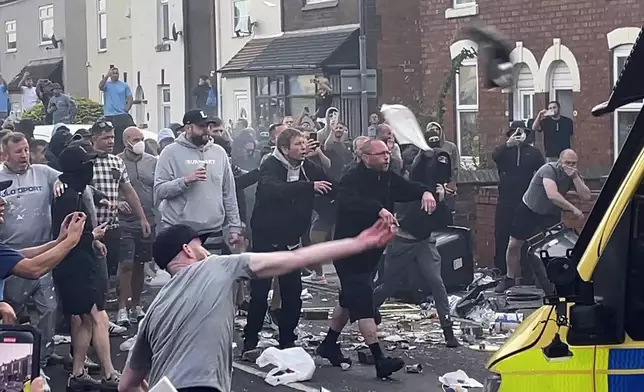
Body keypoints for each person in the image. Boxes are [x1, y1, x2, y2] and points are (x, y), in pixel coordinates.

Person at [118, 219, 396, 392]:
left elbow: (126, 384)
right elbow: (295, 258)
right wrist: (358, 243)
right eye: (199, 245)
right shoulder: (217, 266)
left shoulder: (153, 311)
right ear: (188, 250)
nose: (207, 250)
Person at [318, 139, 436, 378]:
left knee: (348, 299)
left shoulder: (388, 176)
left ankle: (329, 344)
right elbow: (350, 201)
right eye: (381, 153)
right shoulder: (352, 177)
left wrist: (426, 191)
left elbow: (407, 188)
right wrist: (378, 209)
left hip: (372, 251)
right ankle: (380, 359)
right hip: (349, 250)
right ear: (365, 157)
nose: (387, 156)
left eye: (388, 152)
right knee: (363, 306)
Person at [242, 128, 332, 357]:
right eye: (298, 144)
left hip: (291, 239)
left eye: (304, 143)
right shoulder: (270, 164)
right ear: (284, 148)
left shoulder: (306, 167)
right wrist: (308, 187)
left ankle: (287, 339)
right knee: (260, 293)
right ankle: (250, 341)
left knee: (292, 291)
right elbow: (274, 190)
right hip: (267, 239)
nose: (303, 147)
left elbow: (331, 183)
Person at [373, 148, 458, 347]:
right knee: (389, 284)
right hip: (403, 241)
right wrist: (431, 197)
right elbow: (413, 218)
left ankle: (448, 330)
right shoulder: (409, 188)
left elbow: (443, 222)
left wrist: (441, 199)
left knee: (437, 282)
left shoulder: (435, 190)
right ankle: (369, 308)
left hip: (424, 242)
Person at [51, 144, 120, 389]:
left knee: (85, 319)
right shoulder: (68, 197)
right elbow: (68, 238)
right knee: (95, 314)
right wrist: (94, 236)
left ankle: (78, 372)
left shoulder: (75, 191)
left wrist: (92, 242)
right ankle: (108, 373)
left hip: (78, 263)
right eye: (86, 163)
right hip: (75, 267)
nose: (90, 167)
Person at [495, 149, 591, 293]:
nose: (570, 166)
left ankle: (556, 281)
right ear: (559, 161)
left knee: (555, 245)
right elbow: (552, 194)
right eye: (567, 163)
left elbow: (586, 196)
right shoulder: (548, 169)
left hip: (549, 212)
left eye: (574, 163)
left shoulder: (573, 174)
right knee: (514, 245)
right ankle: (510, 278)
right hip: (529, 208)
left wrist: (576, 177)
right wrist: (573, 209)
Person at [154, 109, 243, 254]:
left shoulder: (219, 153)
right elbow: (159, 191)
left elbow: (229, 193)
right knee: (185, 275)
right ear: (188, 128)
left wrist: (234, 226)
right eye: (201, 127)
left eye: (208, 126)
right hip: (180, 230)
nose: (207, 130)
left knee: (211, 275)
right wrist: (185, 181)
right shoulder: (170, 153)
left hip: (213, 230)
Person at [116, 127, 157, 326]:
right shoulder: (116, 161)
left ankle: (137, 305)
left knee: (141, 264)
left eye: (142, 138)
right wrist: (116, 200)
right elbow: (103, 187)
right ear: (125, 142)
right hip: (124, 221)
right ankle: (122, 307)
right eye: (135, 139)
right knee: (126, 264)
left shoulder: (153, 162)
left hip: (148, 219)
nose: (140, 142)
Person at [491, 122, 544, 274]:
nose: (519, 136)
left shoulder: (533, 152)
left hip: (525, 201)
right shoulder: (504, 151)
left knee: (524, 236)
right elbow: (495, 157)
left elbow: (542, 171)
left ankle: (526, 270)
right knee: (501, 234)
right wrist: (508, 145)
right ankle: (501, 269)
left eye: (522, 133)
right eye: (515, 133)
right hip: (505, 199)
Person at [98, 67, 135, 153]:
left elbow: (130, 98)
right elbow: (100, 86)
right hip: (109, 115)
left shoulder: (124, 85)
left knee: (121, 138)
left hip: (121, 115)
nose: (115, 74)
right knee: (110, 137)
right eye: (113, 73)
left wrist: (126, 109)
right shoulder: (107, 85)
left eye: (116, 73)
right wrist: (107, 75)